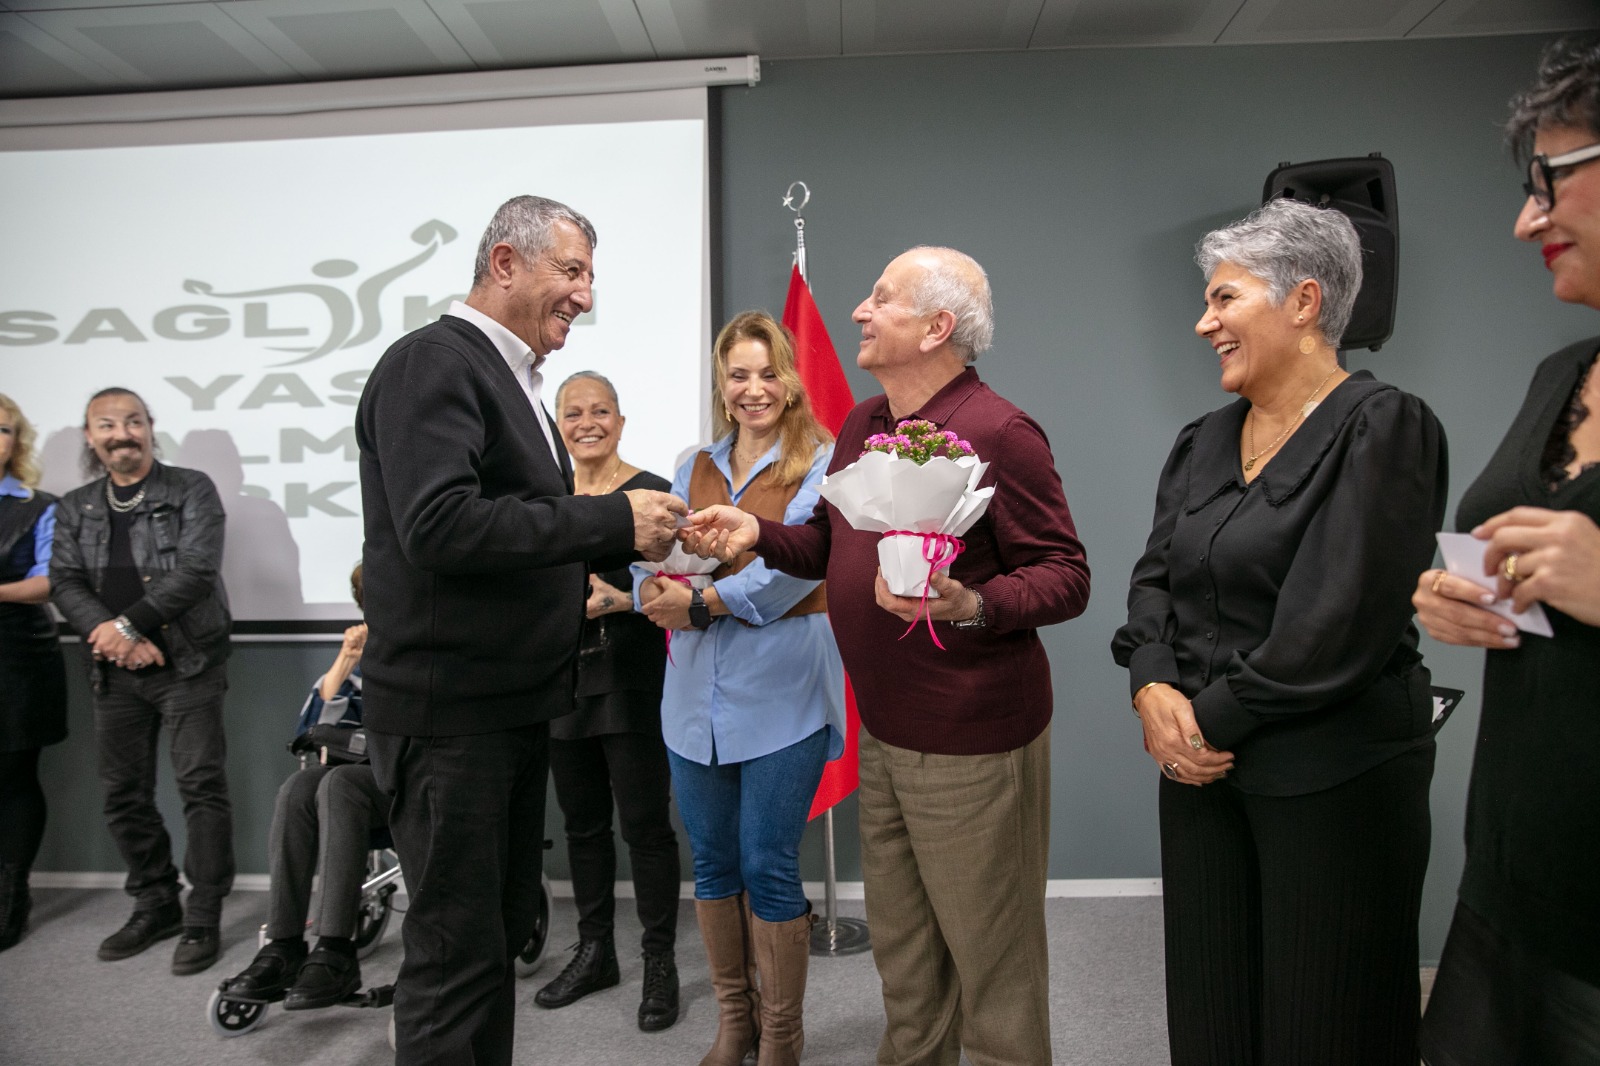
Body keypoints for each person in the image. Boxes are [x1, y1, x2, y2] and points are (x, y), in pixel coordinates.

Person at [685, 258, 1090, 1066]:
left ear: (938, 328)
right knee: (904, 957)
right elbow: (830, 545)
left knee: (991, 962)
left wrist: (973, 604)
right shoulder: (866, 419)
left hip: (975, 740)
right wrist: (755, 533)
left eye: (884, 299)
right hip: (886, 732)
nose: (861, 310)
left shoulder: (1003, 431)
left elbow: (1066, 575)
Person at [1109, 197, 1449, 1065]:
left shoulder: (1384, 426)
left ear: (1304, 303)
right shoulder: (1202, 440)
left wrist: (1199, 723)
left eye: (1224, 299)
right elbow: (1153, 582)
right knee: (1213, 1015)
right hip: (1197, 774)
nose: (1203, 322)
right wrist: (1152, 690)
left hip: (1329, 778)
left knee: (1321, 1023)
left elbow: (1336, 622)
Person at [355, 194, 686, 1066]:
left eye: (588, 277)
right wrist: (611, 524)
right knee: (453, 957)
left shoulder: (514, 382)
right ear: (506, 263)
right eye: (570, 272)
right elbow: (441, 527)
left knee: (491, 941)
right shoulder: (434, 363)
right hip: (448, 721)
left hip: (502, 713)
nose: (585, 295)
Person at [1415, 36, 1600, 1066]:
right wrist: (1448, 591)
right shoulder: (1559, 371)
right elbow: (1512, 552)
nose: (1525, 219)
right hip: (1511, 878)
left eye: (1551, 182)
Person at [638, 310, 843, 1066]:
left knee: (766, 863)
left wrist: (703, 600)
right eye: (738, 375)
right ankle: (737, 1021)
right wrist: (649, 592)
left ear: (790, 381)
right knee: (716, 865)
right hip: (692, 702)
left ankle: (783, 1033)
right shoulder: (692, 461)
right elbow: (651, 556)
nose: (753, 389)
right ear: (722, 386)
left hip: (781, 693)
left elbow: (801, 566)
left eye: (767, 373)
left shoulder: (822, 460)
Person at [50, 387, 235, 976]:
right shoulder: (75, 505)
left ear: (151, 428)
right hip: (114, 672)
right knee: (123, 795)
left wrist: (127, 625)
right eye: (106, 425)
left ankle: (202, 917)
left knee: (200, 788)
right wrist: (110, 637)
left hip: (188, 664)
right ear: (89, 436)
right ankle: (157, 903)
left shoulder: (191, 489)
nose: (121, 433)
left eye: (133, 421)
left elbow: (197, 571)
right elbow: (64, 580)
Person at [533, 370, 681, 1032]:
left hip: (630, 678)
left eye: (599, 411)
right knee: (582, 826)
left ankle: (659, 962)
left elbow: (680, 586)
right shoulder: (543, 500)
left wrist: (622, 601)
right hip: (560, 683)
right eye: (572, 413)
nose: (586, 422)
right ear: (559, 427)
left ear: (619, 421)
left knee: (645, 826)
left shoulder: (653, 493)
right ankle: (595, 952)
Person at [216, 563, 387, 1011]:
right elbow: (309, 731)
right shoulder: (356, 669)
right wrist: (348, 658)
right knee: (300, 786)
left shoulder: (425, 647)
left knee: (339, 783)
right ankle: (284, 945)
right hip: (357, 785)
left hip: (409, 781)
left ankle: (335, 948)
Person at [0, 393, 68, 952]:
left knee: (14, 776)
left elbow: (48, 581)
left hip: (17, 657)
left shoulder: (37, 504)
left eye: (2, 430)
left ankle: (10, 894)